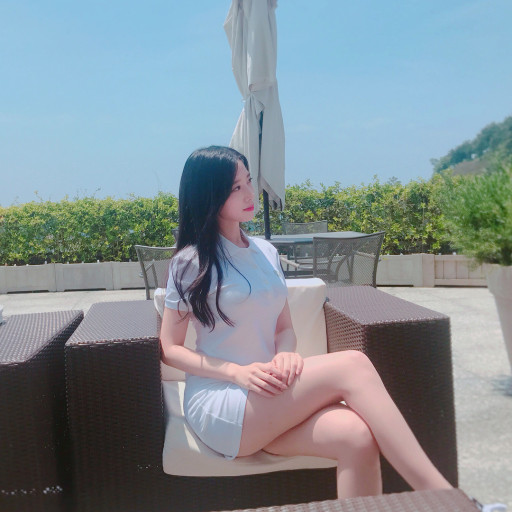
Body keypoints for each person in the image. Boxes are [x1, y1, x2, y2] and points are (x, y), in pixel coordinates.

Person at [160, 145, 453, 499]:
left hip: (270, 396)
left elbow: (284, 329)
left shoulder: (266, 252)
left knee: (356, 437)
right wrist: (236, 373)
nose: (250, 194)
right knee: (352, 365)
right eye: (236, 187)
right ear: (209, 194)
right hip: (222, 401)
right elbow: (169, 349)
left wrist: (286, 353)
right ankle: (445, 499)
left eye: (249, 181)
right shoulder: (190, 263)